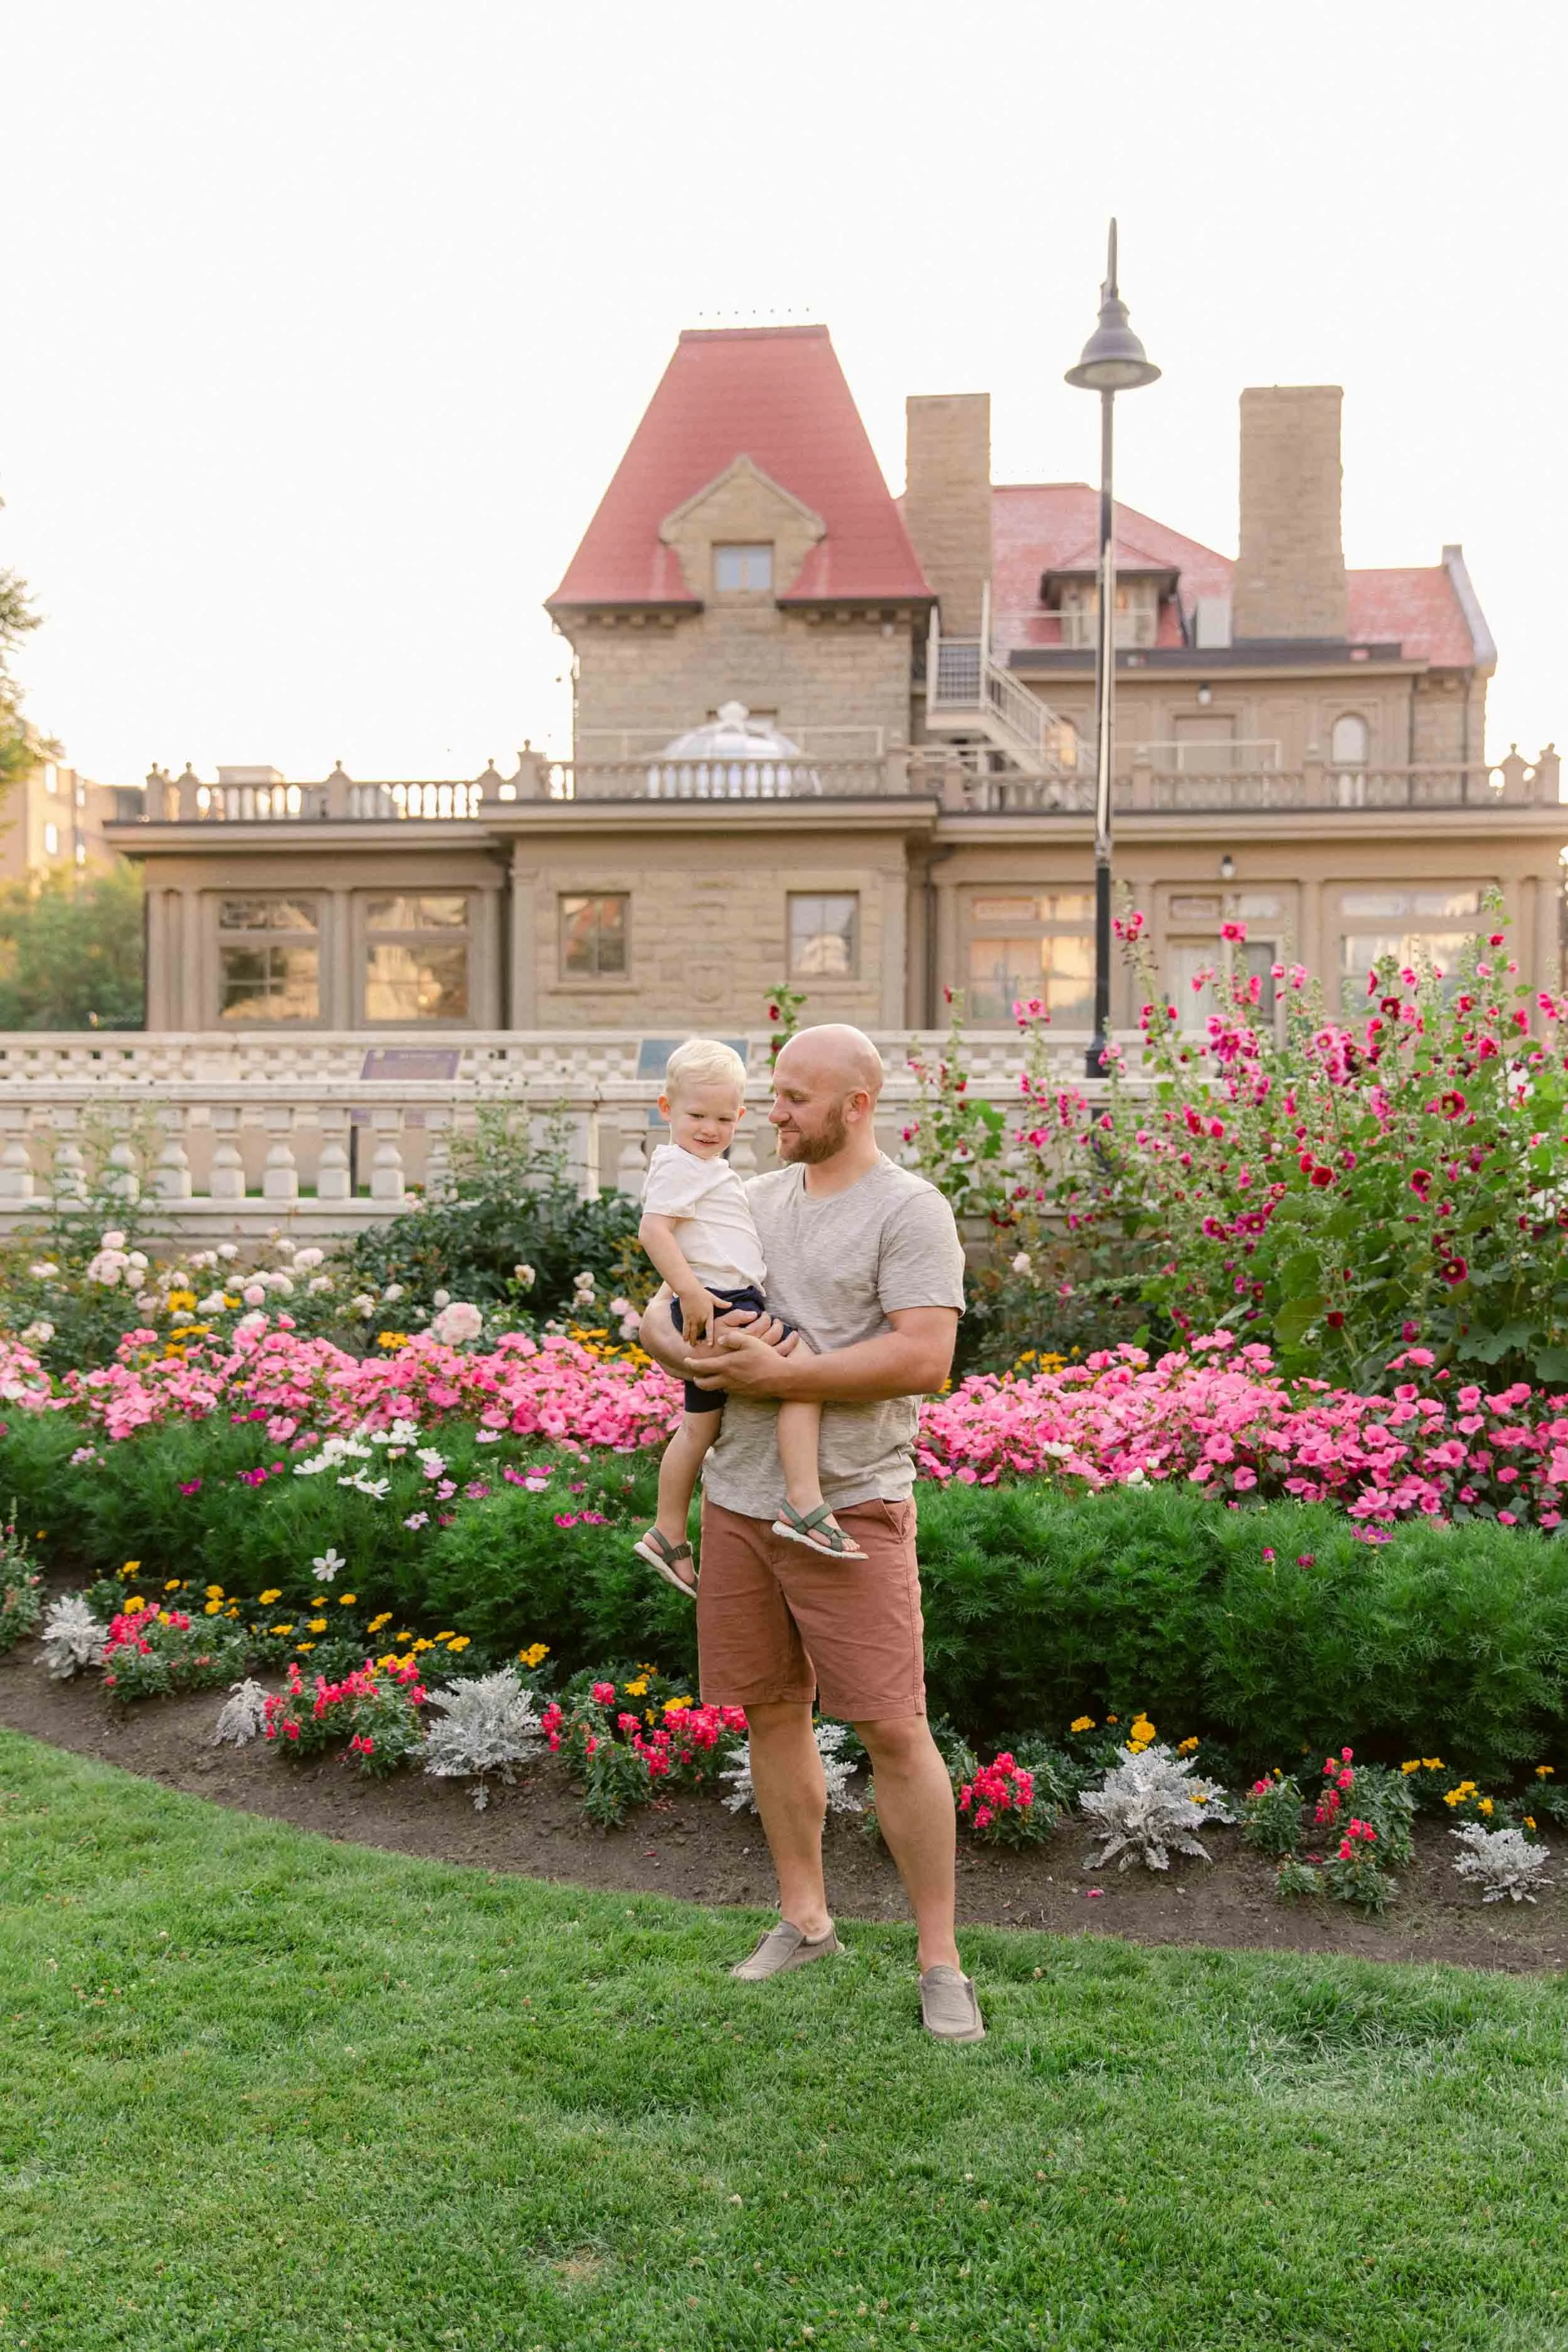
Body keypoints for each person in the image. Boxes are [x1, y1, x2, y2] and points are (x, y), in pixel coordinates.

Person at [639, 1022, 983, 2045]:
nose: (769, 1114)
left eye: (793, 1098)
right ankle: (806, 1918)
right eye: (771, 1095)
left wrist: (783, 1378)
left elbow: (924, 1358)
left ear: (856, 1105)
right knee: (772, 1712)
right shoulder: (746, 1200)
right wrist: (665, 1337)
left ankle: (940, 1960)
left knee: (892, 1728)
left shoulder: (909, 1211)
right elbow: (663, 1308)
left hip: (853, 1505)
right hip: (741, 1502)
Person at [632, 1037, 864, 1599]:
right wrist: (688, 1293)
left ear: (739, 1116)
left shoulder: (704, 1166)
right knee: (804, 1372)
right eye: (695, 1116)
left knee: (698, 1428)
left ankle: (667, 1532)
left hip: (719, 1298)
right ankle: (804, 1501)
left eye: (722, 1118)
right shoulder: (682, 1167)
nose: (709, 1129)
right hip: (720, 1301)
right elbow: (653, 1231)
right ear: (667, 1110)